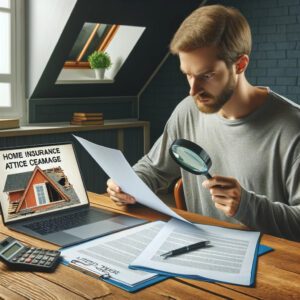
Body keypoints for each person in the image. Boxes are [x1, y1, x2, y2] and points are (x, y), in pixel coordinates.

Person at [107, 4, 300, 241]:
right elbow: (154, 168)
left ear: (240, 65)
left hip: (275, 268)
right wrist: (126, 186)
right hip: (200, 253)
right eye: (188, 74)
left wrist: (247, 205)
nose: (192, 90)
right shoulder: (187, 110)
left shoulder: (293, 127)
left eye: (206, 76)